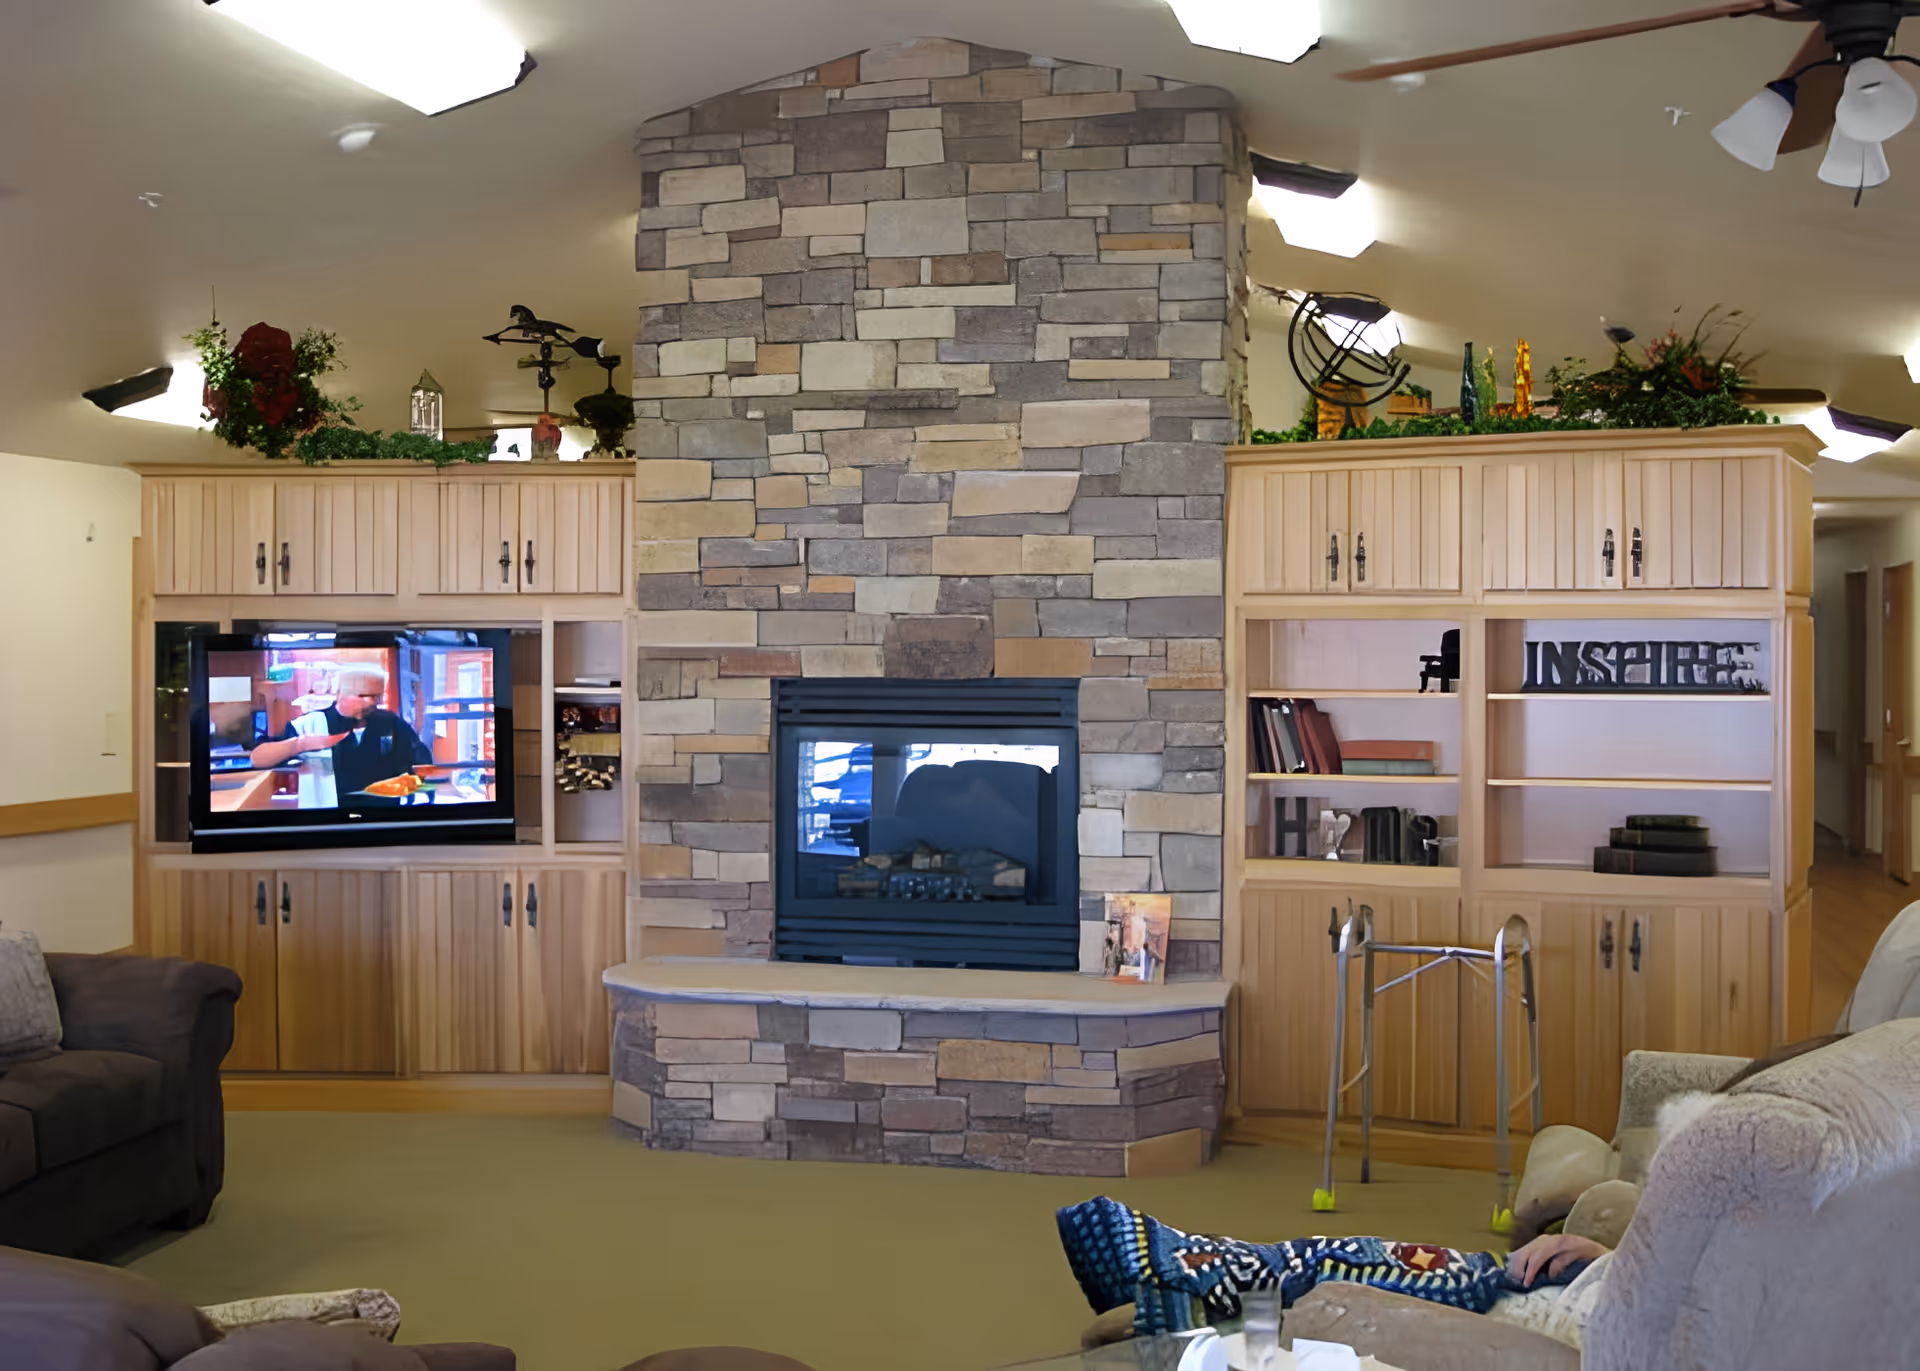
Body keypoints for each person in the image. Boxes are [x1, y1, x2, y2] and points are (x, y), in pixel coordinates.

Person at [248, 663, 430, 807]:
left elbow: (420, 761)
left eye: (376, 696)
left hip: (382, 822)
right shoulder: (311, 724)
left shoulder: (390, 723)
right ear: (340, 693)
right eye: (363, 695)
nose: (372, 702)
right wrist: (299, 745)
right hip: (328, 824)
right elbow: (258, 759)